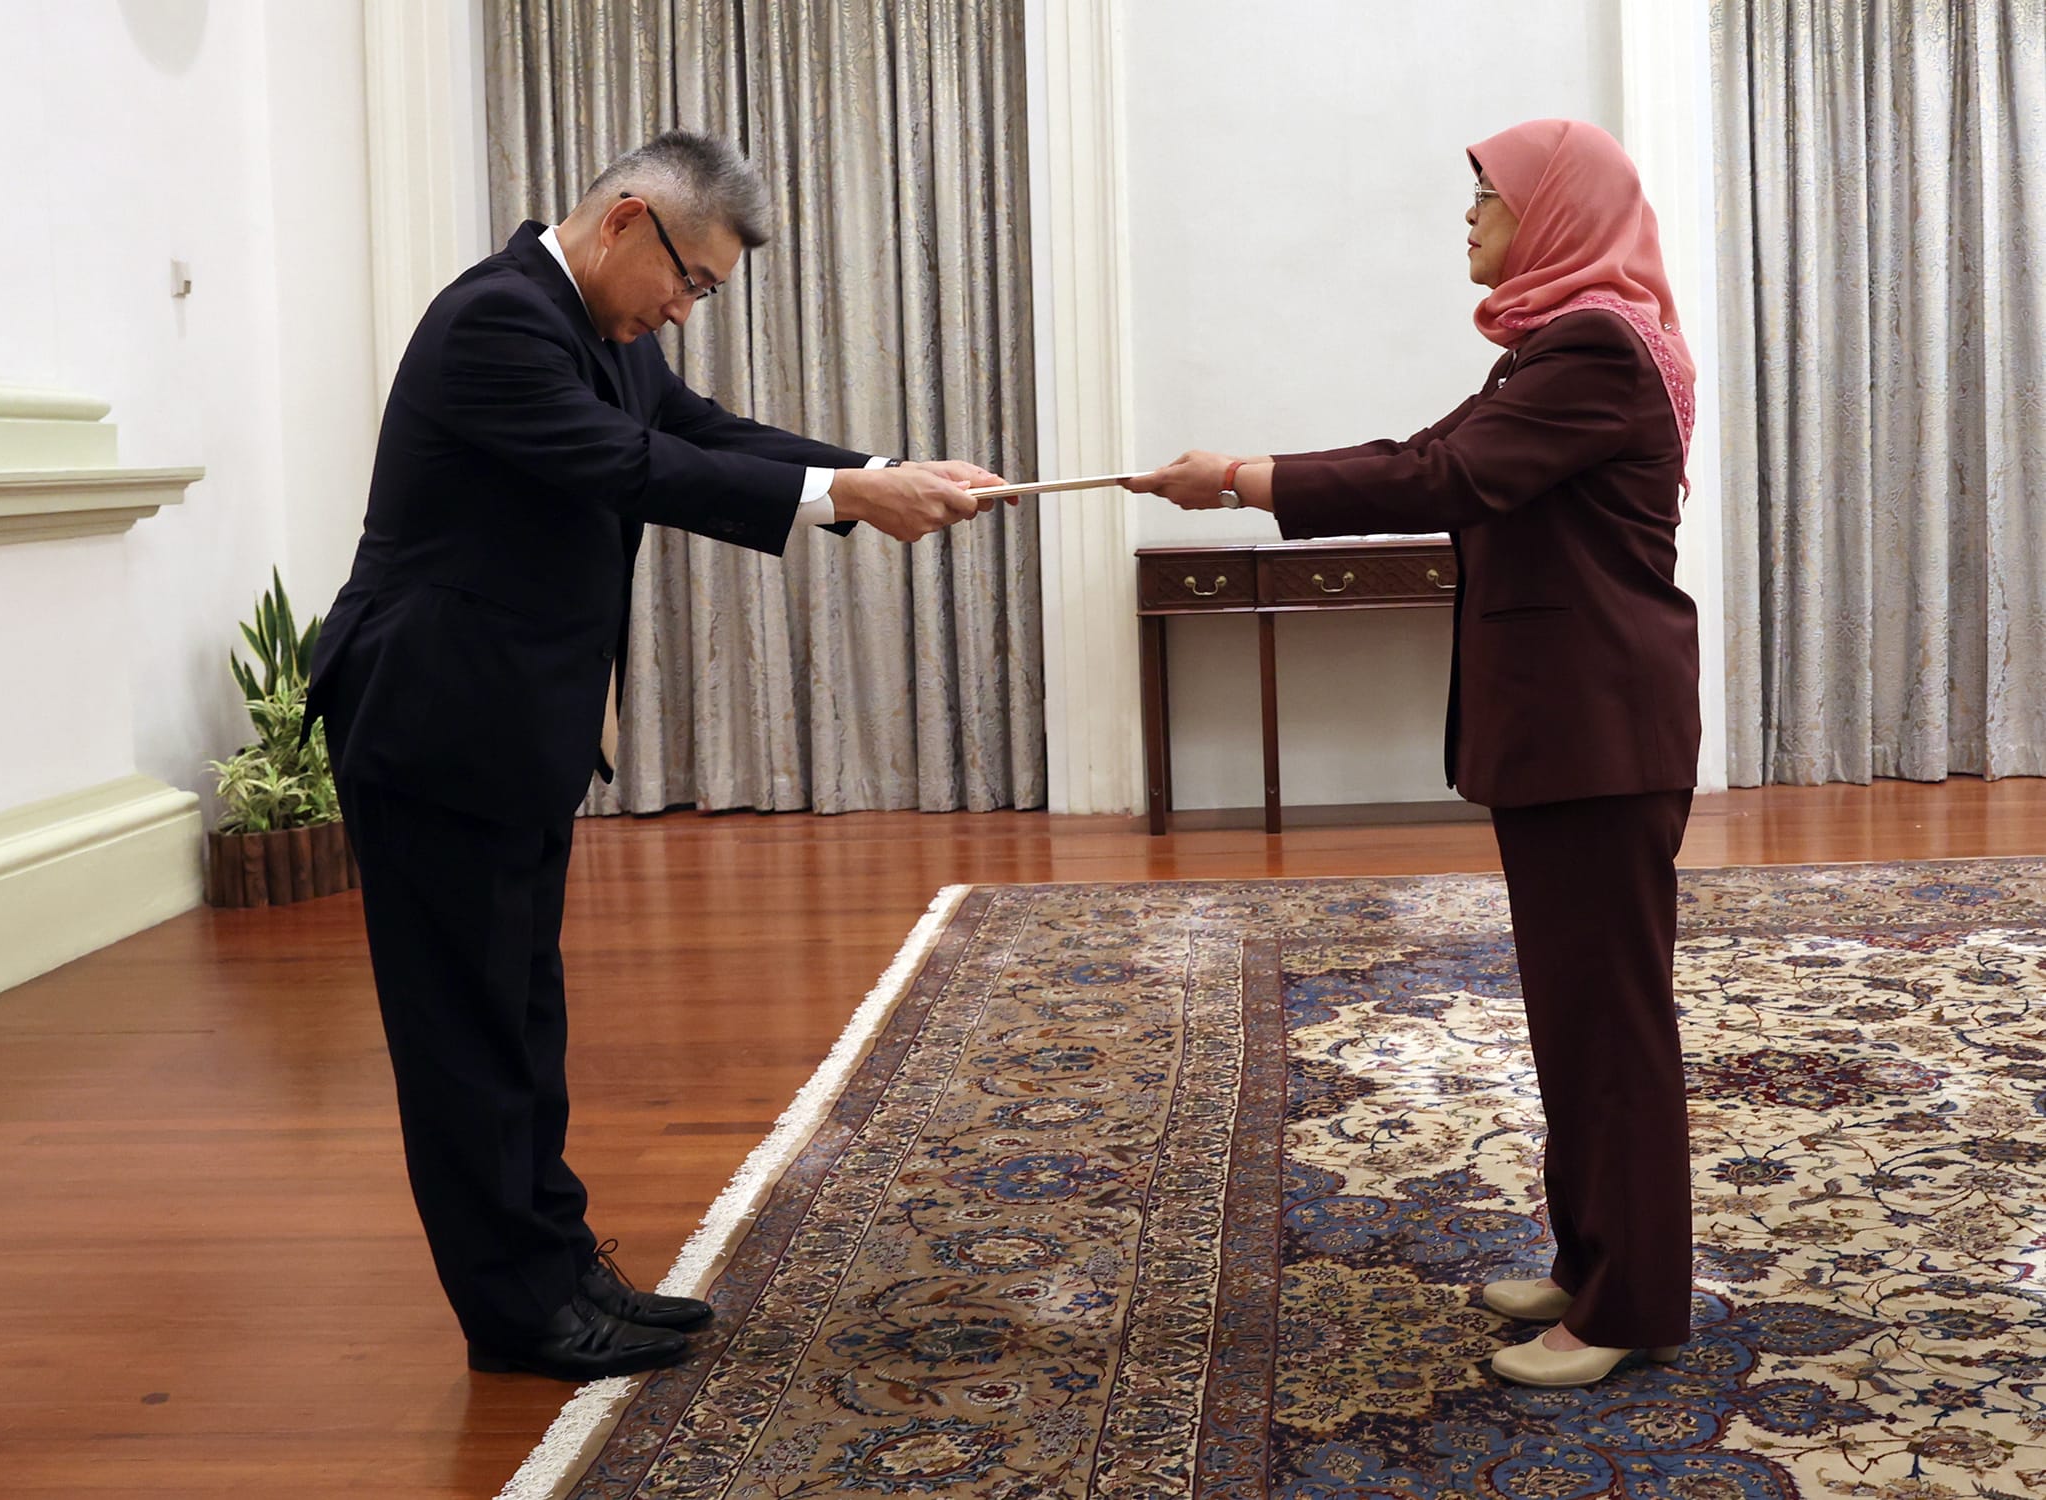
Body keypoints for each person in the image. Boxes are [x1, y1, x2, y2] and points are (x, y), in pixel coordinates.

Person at [306, 131, 1005, 1381]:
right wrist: (845, 503)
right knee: (465, 1032)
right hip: (432, 718)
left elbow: (706, 429)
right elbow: (635, 466)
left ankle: (560, 1266)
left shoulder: (603, 332)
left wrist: (879, 470)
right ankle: (516, 1316)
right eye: (689, 281)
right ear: (628, 220)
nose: (684, 308)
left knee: (523, 1017)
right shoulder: (497, 323)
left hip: (511, 720)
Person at [1124, 118, 1701, 1390]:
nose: (1470, 216)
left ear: (1553, 212)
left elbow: (1438, 474)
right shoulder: (1557, 346)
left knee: (1611, 1023)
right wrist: (1245, 474)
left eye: (1487, 196)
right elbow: (1426, 453)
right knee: (1575, 1011)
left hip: (1599, 731)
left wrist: (1241, 479)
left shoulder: (1596, 347)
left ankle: (1630, 1305)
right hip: (1575, 729)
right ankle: (1597, 1257)